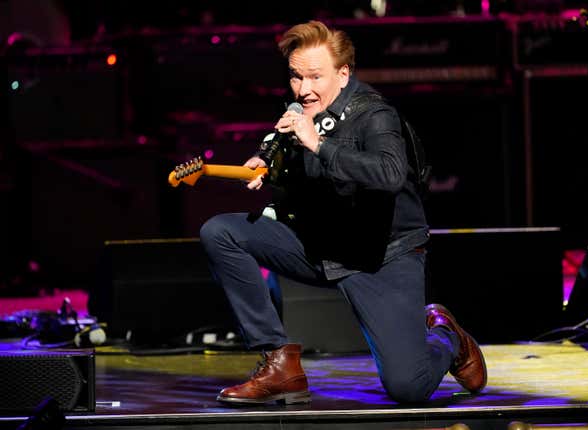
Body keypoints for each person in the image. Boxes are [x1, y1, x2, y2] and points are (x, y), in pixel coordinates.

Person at [199, 20, 486, 405]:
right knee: (220, 232)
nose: (304, 89)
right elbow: (289, 159)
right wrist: (265, 162)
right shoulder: (300, 110)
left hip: (381, 256)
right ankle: (278, 361)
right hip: (321, 245)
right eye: (296, 77)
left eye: (315, 77)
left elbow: (388, 173)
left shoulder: (374, 115)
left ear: (344, 73)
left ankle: (446, 336)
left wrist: (318, 144)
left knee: (408, 387)